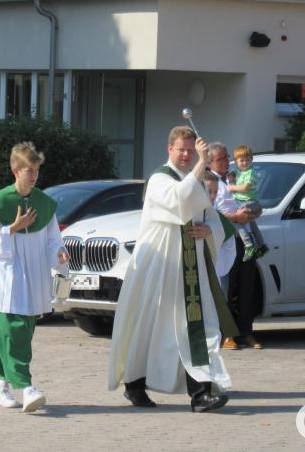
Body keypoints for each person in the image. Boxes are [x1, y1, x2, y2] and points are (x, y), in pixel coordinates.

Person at [108, 126, 239, 413]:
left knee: (199, 326)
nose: (186, 155)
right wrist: (202, 163)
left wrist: (209, 230)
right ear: (169, 149)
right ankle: (135, 383)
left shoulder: (196, 179)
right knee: (149, 326)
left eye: (191, 151)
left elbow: (211, 215)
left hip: (191, 269)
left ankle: (201, 393)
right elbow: (180, 201)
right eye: (182, 150)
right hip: (160, 267)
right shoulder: (160, 178)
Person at [0, 142, 69, 413]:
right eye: (29, 170)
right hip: (9, 279)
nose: (34, 175)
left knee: (19, 333)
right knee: (13, 331)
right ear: (15, 170)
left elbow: (52, 238)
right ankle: (27, 388)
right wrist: (12, 229)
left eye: (37, 170)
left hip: (34, 278)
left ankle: (2, 388)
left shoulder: (43, 203)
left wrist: (59, 252)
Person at [206, 142, 262, 351]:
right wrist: (236, 217)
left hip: (244, 238)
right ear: (210, 162)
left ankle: (246, 331)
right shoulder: (208, 181)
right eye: (220, 159)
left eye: (226, 157)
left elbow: (250, 197)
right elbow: (210, 212)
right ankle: (226, 333)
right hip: (225, 240)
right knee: (226, 288)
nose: (226, 161)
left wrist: (252, 211)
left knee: (247, 286)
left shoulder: (236, 177)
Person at [226, 145, 267, 261]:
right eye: (241, 160)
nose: (245, 163)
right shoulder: (239, 172)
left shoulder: (250, 173)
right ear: (236, 161)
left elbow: (246, 187)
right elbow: (232, 175)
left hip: (249, 202)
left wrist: (232, 187)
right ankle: (262, 245)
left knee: (236, 220)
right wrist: (230, 176)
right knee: (252, 224)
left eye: (247, 160)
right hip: (243, 202)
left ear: (251, 160)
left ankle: (249, 245)